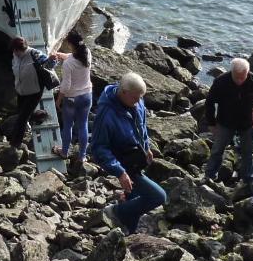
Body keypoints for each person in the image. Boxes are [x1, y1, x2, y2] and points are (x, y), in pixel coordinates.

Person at [90, 72, 167, 234]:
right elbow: (98, 148)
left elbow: (142, 125)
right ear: (123, 92)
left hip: (138, 157)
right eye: (135, 98)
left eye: (141, 97)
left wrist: (147, 147)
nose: (139, 102)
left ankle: (128, 231)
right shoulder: (106, 114)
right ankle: (116, 211)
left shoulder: (136, 100)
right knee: (159, 196)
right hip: (124, 162)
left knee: (133, 199)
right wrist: (120, 172)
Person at [203, 57, 253, 188]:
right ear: (232, 71)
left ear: (248, 72)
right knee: (217, 149)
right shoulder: (221, 81)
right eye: (237, 77)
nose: (240, 80)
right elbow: (209, 103)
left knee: (248, 152)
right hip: (225, 122)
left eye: (243, 77)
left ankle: (247, 179)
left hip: (248, 123)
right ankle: (210, 175)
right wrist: (211, 123)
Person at [10, 36, 58, 148]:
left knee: (22, 119)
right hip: (21, 90)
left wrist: (52, 60)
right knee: (22, 112)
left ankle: (15, 144)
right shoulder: (15, 55)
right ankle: (40, 115)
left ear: (20, 49)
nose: (14, 52)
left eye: (15, 50)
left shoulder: (34, 54)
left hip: (34, 91)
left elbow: (48, 66)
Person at [52, 30, 93, 162]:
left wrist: (58, 100)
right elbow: (72, 56)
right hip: (87, 96)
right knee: (83, 125)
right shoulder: (86, 52)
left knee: (68, 125)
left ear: (70, 44)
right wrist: (59, 54)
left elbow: (65, 86)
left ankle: (64, 152)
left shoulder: (68, 64)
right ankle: (82, 156)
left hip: (72, 98)